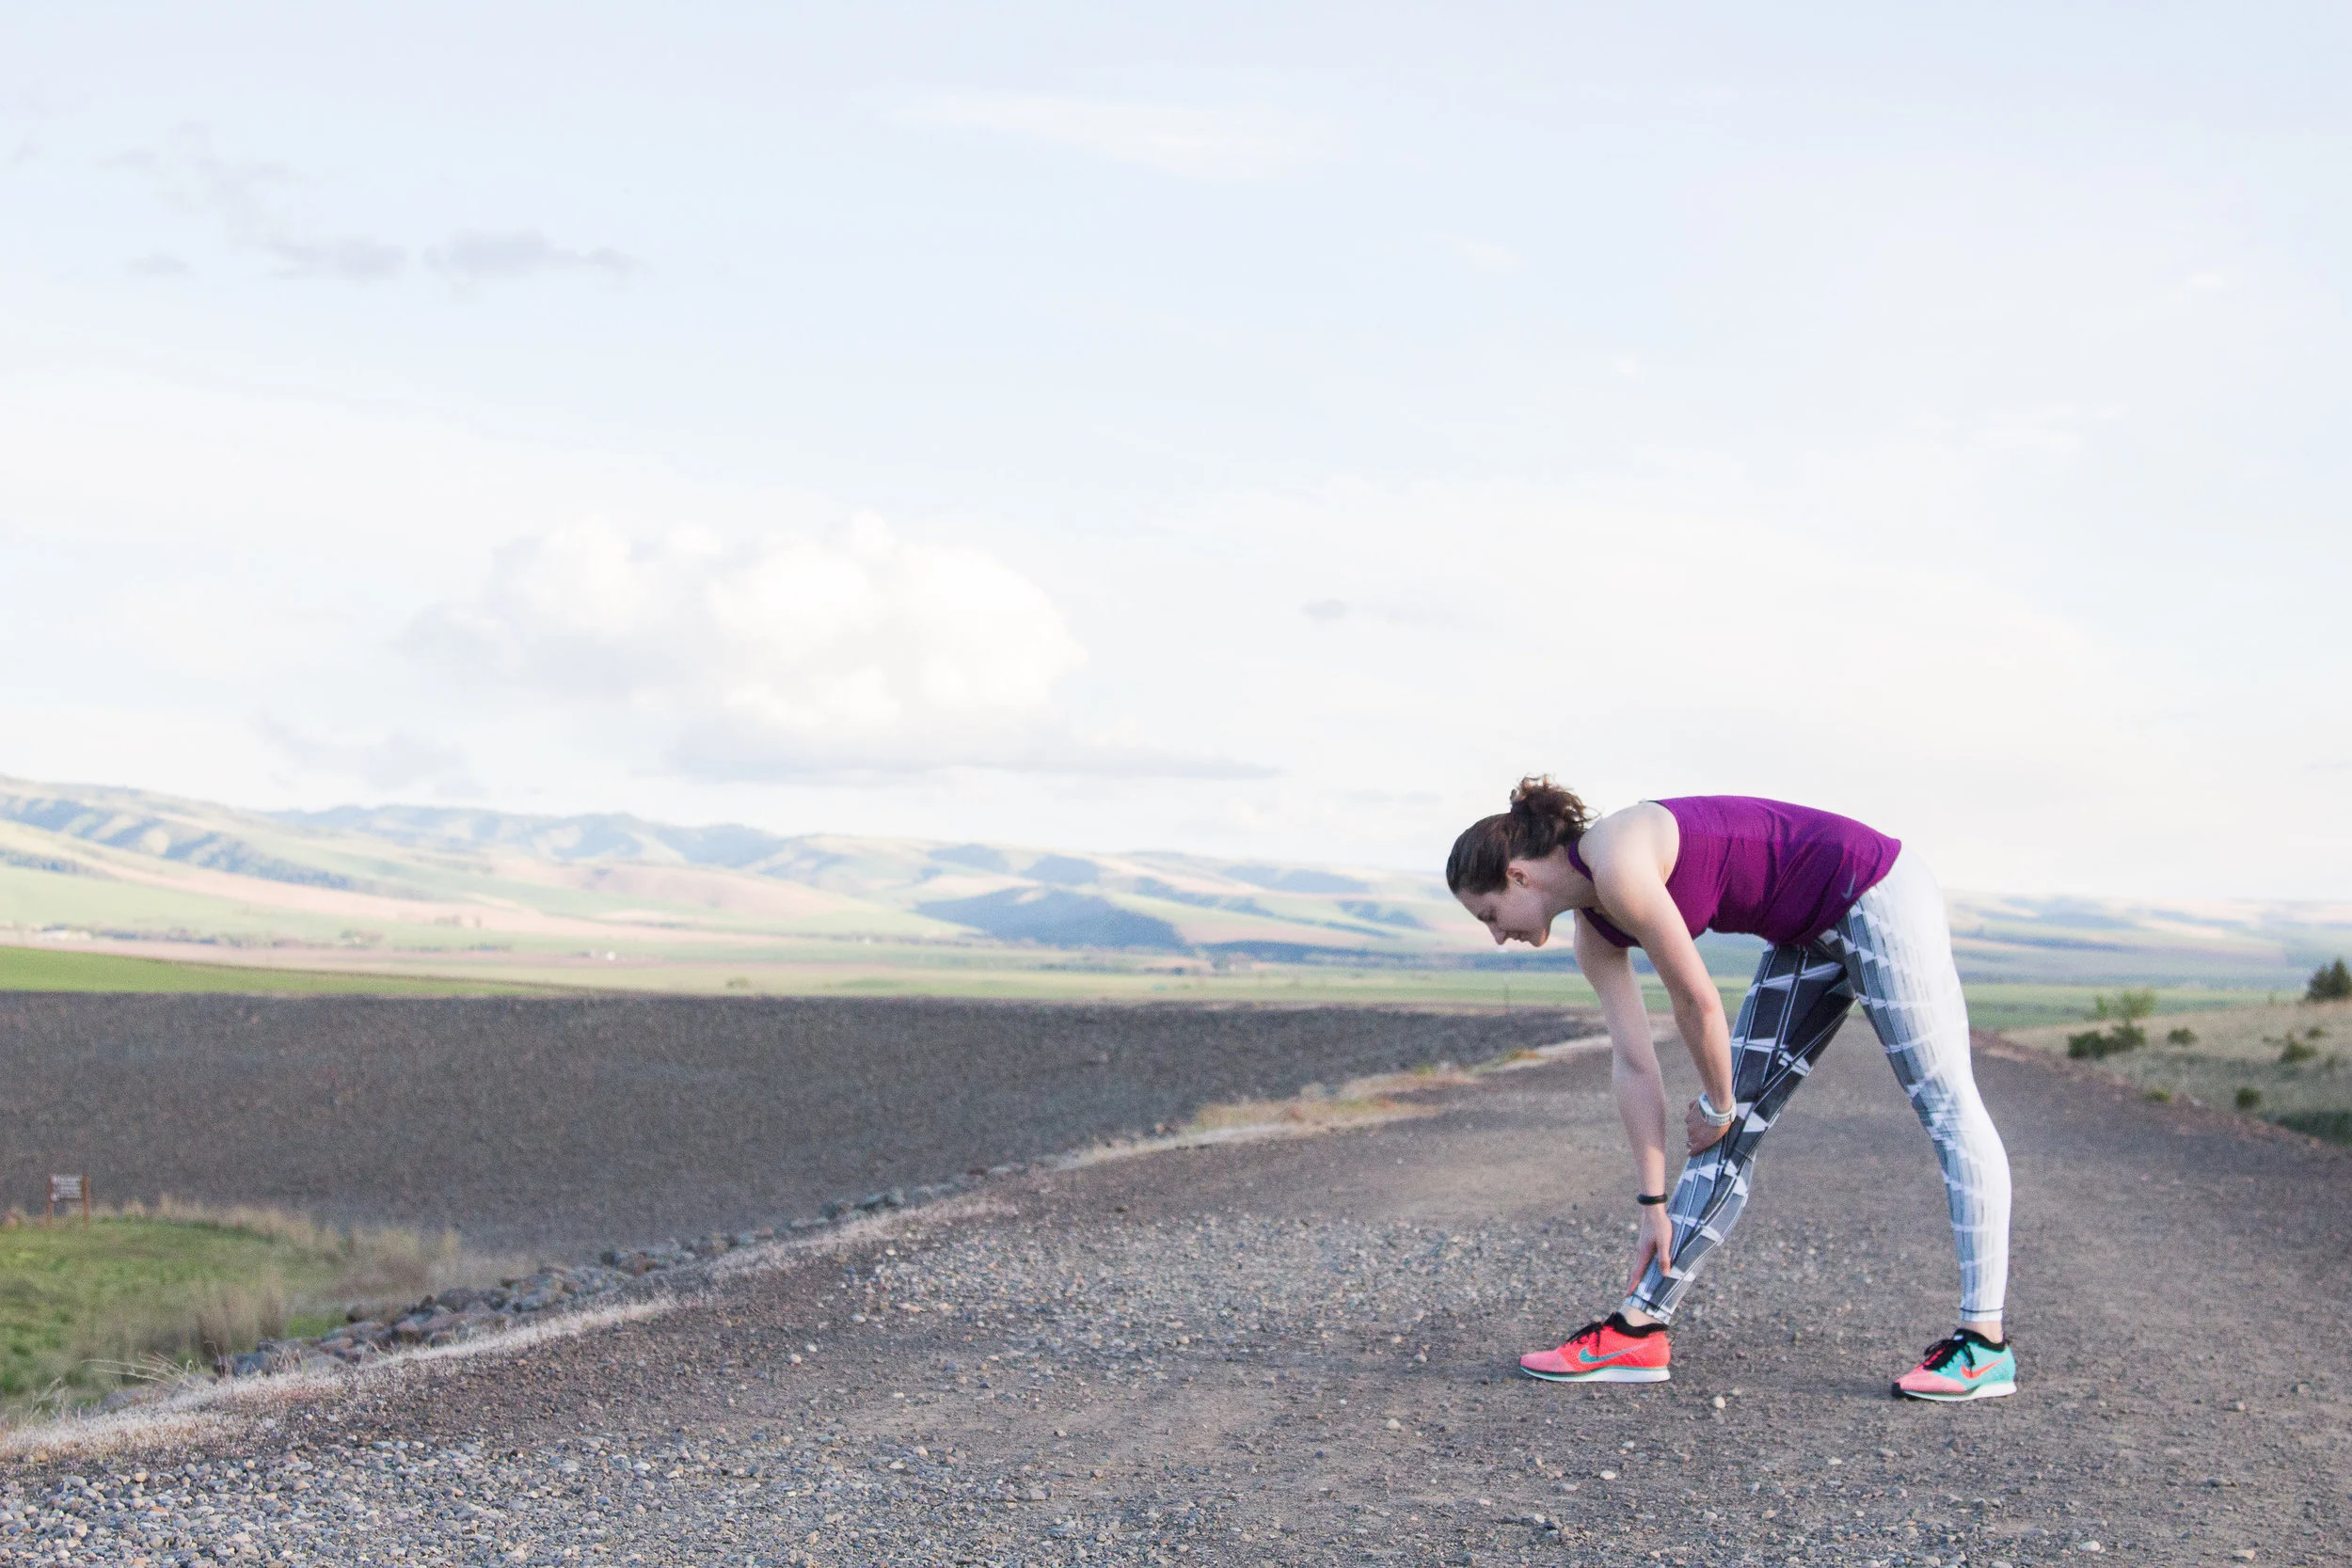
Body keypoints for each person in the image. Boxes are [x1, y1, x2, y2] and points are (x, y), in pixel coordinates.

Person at [1447, 780, 2016, 1402]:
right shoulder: (1594, 936)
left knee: (1945, 1104)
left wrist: (1720, 1103)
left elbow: (1697, 1001)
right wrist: (1652, 1201)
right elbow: (1634, 1064)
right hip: (1806, 934)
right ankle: (1638, 1330)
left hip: (1874, 888)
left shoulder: (1616, 862)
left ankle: (1983, 1345)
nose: (1496, 935)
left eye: (1490, 915)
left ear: (1519, 875)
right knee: (1726, 1133)